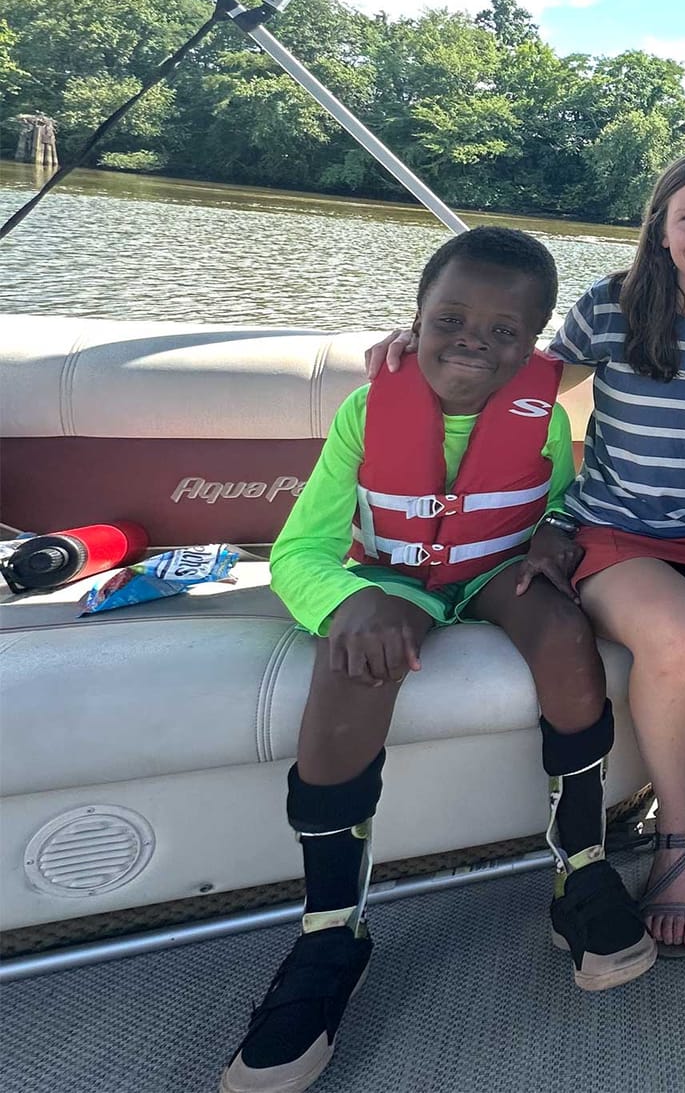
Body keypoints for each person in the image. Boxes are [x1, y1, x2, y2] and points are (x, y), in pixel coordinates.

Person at [224, 227, 652, 1093]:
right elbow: (297, 550)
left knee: (569, 638)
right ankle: (331, 929)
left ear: (535, 343)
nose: (474, 342)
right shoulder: (365, 409)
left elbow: (561, 501)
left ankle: (580, 866)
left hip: (499, 570)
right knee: (351, 665)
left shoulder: (543, 413)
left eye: (504, 332)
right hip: (395, 580)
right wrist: (349, 601)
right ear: (414, 319)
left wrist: (557, 546)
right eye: (451, 319)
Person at [371, 152, 685, 958]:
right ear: (661, 233)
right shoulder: (613, 307)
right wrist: (428, 348)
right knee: (676, 631)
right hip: (612, 530)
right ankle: (677, 833)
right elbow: (522, 384)